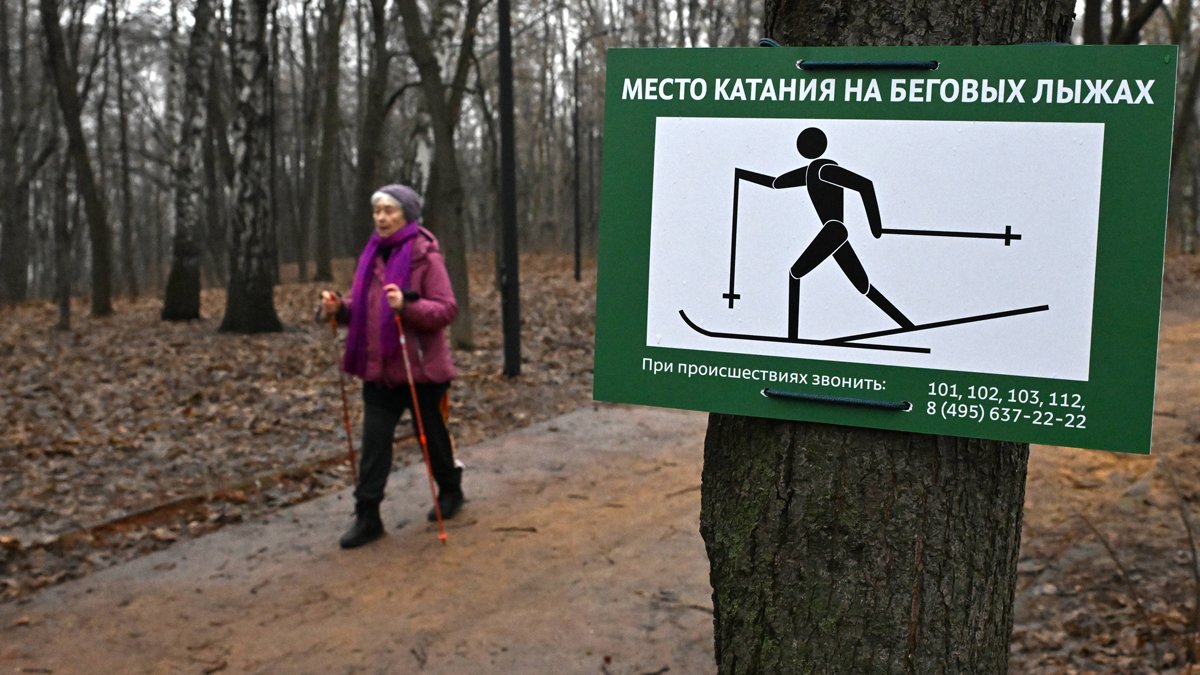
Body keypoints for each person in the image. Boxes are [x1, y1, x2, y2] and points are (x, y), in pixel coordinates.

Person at [319, 183, 464, 549]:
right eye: (377, 211)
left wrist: (408, 307)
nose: (381, 218)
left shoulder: (425, 255)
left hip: (421, 372)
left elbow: (447, 309)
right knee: (374, 445)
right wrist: (341, 307)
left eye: (389, 210)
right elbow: (367, 306)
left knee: (431, 438)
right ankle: (367, 516)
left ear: (407, 215)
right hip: (380, 369)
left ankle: (450, 490)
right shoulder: (371, 254)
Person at [735, 127, 912, 338]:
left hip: (834, 230)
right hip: (834, 234)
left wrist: (876, 227)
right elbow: (775, 183)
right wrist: (743, 174)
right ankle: (907, 325)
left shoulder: (824, 170)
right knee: (863, 285)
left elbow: (865, 185)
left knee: (795, 274)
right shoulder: (810, 171)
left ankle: (792, 338)